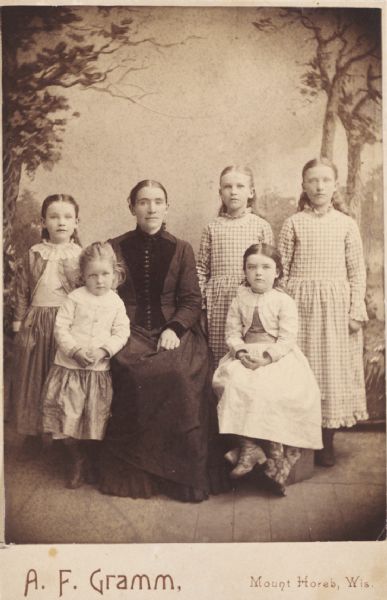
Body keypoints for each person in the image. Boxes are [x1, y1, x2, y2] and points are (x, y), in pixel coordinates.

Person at [98, 180, 229, 502]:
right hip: (125, 328)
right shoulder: (113, 246)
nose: (151, 208)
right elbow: (102, 292)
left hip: (175, 329)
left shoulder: (182, 248)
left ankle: (180, 474)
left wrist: (174, 328)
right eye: (143, 202)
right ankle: (138, 470)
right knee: (131, 370)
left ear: (167, 207)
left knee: (180, 374)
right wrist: (117, 328)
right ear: (132, 207)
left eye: (158, 201)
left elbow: (191, 299)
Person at [278, 158, 368, 467]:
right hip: (300, 308)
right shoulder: (293, 223)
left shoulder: (346, 224)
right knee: (303, 372)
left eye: (325, 180)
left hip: (335, 308)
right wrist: (285, 309)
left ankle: (327, 440)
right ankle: (303, 440)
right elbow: (283, 271)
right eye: (312, 181)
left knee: (331, 372)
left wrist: (355, 310)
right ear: (303, 185)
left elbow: (357, 272)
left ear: (335, 185)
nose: (318, 186)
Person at [213, 243, 322, 496]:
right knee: (234, 381)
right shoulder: (240, 298)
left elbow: (287, 339)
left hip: (276, 356)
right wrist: (239, 352)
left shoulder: (283, 301)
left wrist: (267, 357)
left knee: (273, 387)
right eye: (252, 267)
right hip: (244, 355)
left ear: (277, 272)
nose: (258, 273)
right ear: (244, 271)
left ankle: (269, 454)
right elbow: (231, 332)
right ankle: (248, 445)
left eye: (266, 267)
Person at [42, 242, 130, 488]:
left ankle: (90, 460)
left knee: (93, 421)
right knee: (67, 420)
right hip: (70, 370)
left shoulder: (115, 302)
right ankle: (75, 458)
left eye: (105, 274)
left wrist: (105, 350)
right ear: (83, 276)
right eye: (92, 275)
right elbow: (60, 328)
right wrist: (75, 350)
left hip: (96, 374)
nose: (99, 280)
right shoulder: (75, 298)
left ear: (115, 274)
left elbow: (121, 331)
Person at [12, 194, 82, 457]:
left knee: (61, 379)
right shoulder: (34, 253)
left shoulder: (80, 254)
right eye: (53, 217)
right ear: (43, 222)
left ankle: (66, 440)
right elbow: (22, 289)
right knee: (34, 376)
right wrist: (19, 323)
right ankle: (33, 429)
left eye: (67, 217)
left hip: (66, 323)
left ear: (76, 222)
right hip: (36, 322)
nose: (60, 222)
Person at [197, 165, 274, 366]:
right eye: (227, 186)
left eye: (240, 186)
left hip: (251, 297)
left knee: (249, 353)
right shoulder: (212, 228)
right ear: (220, 192)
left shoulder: (260, 226)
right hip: (219, 300)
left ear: (251, 192)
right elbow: (202, 269)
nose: (233, 191)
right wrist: (202, 306)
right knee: (221, 354)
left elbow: (270, 267)